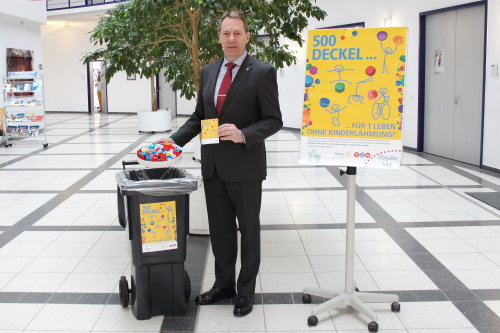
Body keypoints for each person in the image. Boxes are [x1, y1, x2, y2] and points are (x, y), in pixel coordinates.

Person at [155, 11, 282, 317]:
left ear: (247, 36)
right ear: (219, 37)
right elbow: (200, 117)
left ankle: (245, 291)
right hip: (213, 166)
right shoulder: (210, 71)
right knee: (221, 231)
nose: (231, 39)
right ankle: (224, 284)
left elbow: (274, 120)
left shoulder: (262, 72)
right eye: (226, 33)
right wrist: (172, 143)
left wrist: (244, 134)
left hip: (246, 166)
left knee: (249, 231)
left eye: (237, 33)